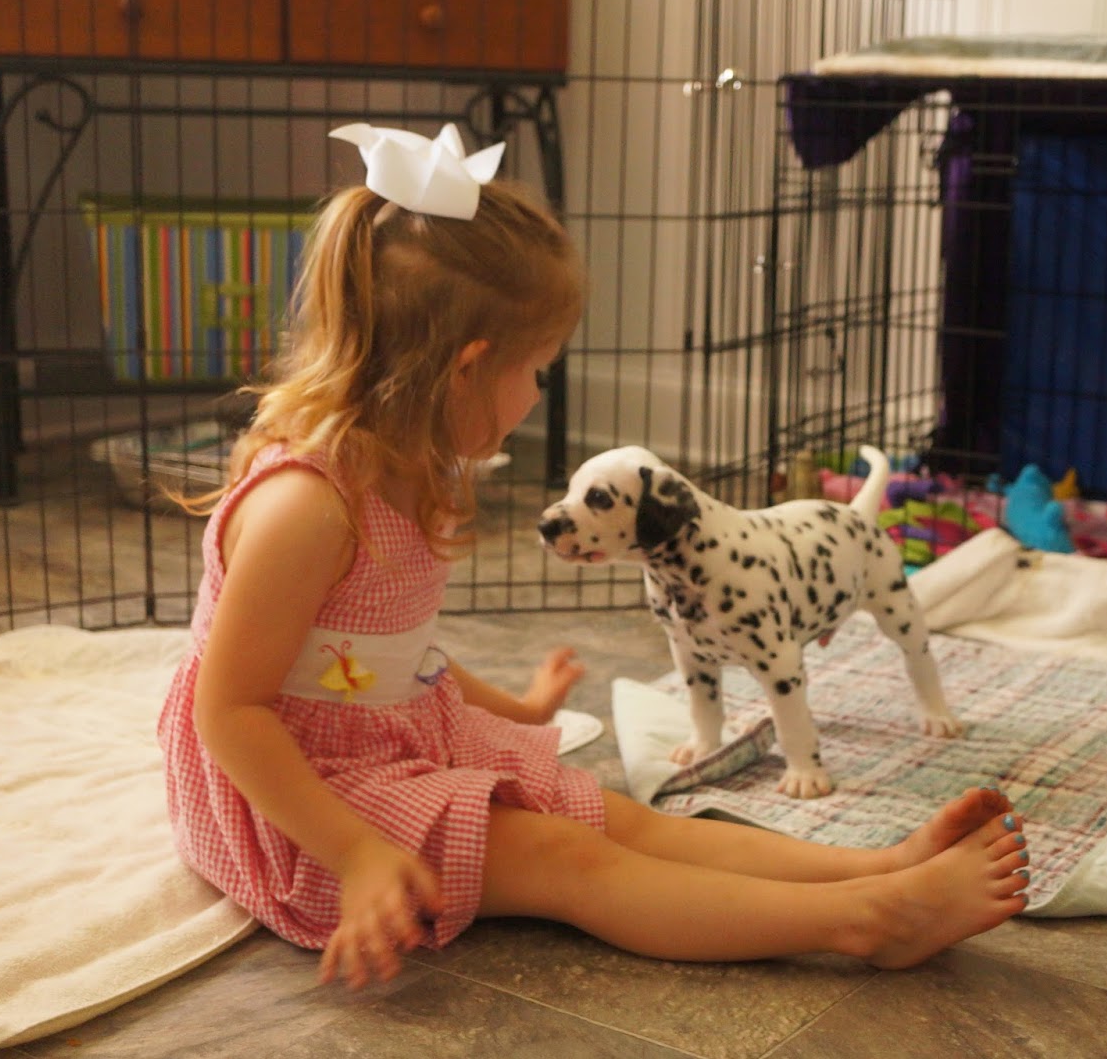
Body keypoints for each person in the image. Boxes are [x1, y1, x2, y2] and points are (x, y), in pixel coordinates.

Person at [158, 123, 1031, 992]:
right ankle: (869, 921)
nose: (538, 393)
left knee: (623, 820)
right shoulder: (304, 509)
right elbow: (228, 711)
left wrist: (514, 707)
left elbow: (376, 653)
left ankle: (876, 867)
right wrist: (355, 854)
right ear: (467, 368)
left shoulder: (411, 470)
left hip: (379, 746)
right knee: (568, 859)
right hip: (299, 806)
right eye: (538, 369)